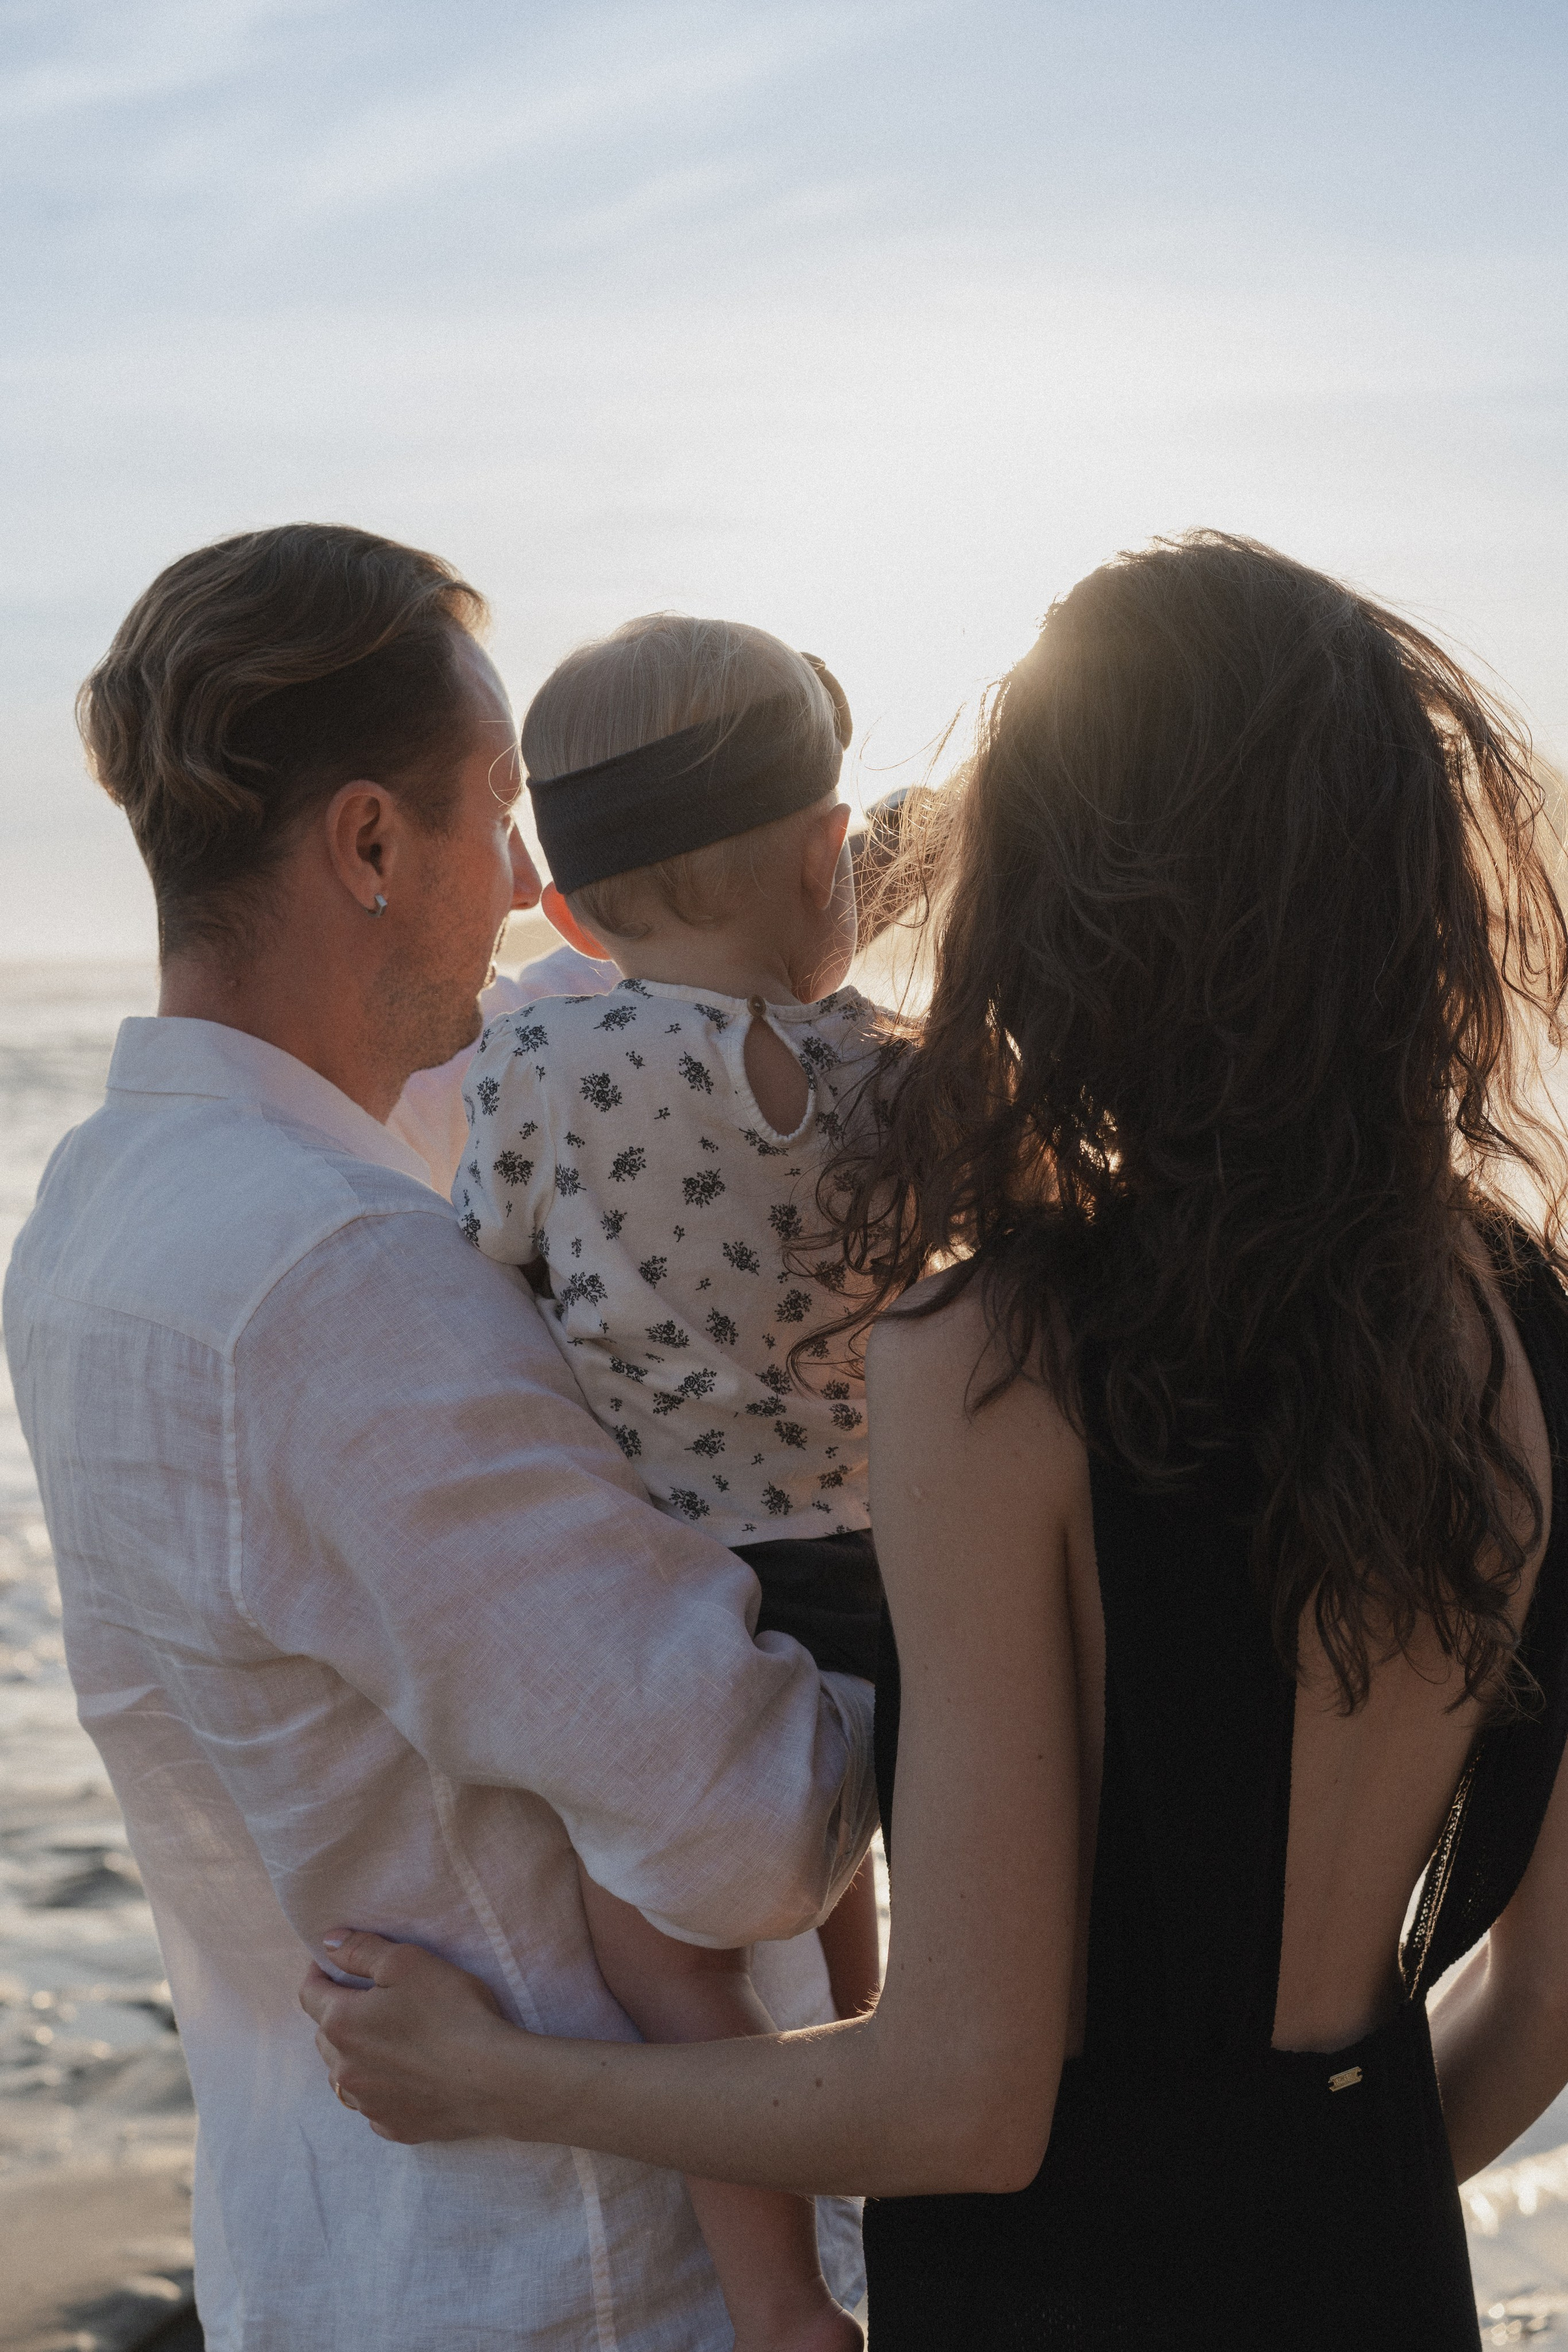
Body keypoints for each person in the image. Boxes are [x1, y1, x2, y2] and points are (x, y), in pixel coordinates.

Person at [304, 533, 1568, 2349]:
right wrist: (1301, 2218)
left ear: (1064, 912)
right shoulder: (1531, 1319)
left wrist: (495, 2075)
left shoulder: (1005, 1361)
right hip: (1380, 2284)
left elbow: (966, 2106)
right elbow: (1541, 2004)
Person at [3, 523, 877, 2351]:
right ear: (371, 846)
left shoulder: (94, 1210)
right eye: (498, 811)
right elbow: (741, 1830)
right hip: (592, 2284)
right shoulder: (342, 1281)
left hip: (331, 2252)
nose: (535, 879)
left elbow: (557, 1035)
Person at [462, 615, 892, 2351]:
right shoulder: (899, 1065)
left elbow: (479, 1266)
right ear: (826, 855)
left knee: (662, 1955)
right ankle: (876, 2123)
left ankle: (780, 2301)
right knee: (854, 1867)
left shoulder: (540, 1065)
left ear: (569, 915)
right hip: (894, 1568)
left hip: (703, 1580)